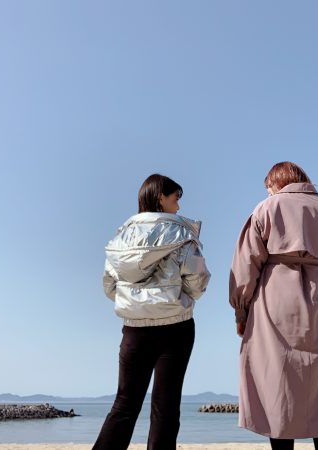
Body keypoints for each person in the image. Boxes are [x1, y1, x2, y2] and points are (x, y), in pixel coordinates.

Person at [229, 162, 318, 450]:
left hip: (275, 295)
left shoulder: (266, 208)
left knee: (278, 381)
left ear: (278, 182)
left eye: (268, 187)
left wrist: (241, 311)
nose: (268, 192)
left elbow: (246, 264)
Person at [93, 173, 211, 450]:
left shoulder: (121, 237)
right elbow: (198, 280)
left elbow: (109, 285)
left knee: (124, 403)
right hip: (176, 328)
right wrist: (178, 299)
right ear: (160, 198)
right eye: (175, 197)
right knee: (166, 406)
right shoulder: (182, 234)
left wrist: (134, 305)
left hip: (134, 330)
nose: (179, 205)